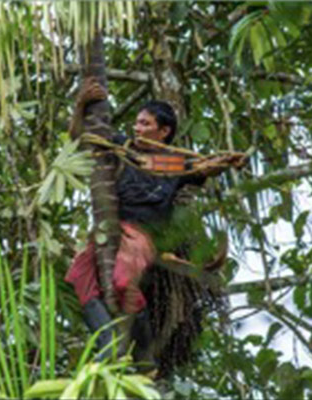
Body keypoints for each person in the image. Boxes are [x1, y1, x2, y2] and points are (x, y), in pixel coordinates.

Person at [66, 80, 246, 368]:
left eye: (145, 124)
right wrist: (81, 105)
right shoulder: (122, 147)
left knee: (123, 282)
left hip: (141, 237)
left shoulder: (175, 163)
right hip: (110, 228)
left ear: (163, 131)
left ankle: (144, 356)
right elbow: (80, 138)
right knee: (78, 275)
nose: (137, 128)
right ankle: (109, 344)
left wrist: (227, 162)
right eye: (136, 122)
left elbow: (205, 167)